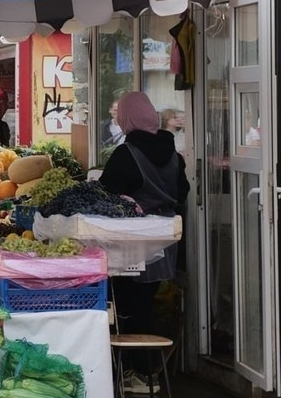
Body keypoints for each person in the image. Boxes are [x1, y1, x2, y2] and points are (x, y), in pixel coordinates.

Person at [98, 91, 189, 390]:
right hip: (163, 244)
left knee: (128, 307)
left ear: (128, 118)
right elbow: (182, 192)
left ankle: (136, 373)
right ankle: (147, 372)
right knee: (146, 304)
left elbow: (106, 193)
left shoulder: (126, 154)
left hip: (131, 245)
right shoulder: (173, 155)